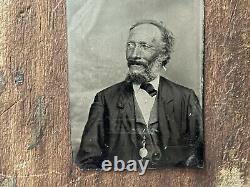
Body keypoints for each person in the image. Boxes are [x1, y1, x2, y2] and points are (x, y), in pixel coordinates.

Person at [76, 20, 203, 169]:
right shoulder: (105, 100)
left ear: (162, 54)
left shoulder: (185, 99)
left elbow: (201, 159)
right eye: (130, 45)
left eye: (144, 46)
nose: (134, 54)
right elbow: (86, 163)